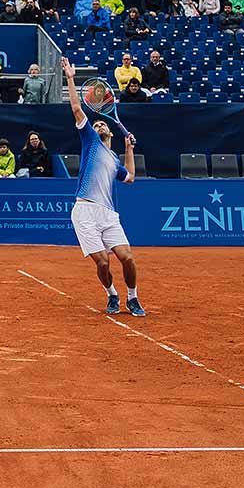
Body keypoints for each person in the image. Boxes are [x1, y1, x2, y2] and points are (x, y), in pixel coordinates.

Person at [63, 59, 143, 317]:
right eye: (96, 124)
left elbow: (130, 177)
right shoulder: (90, 142)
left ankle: (132, 298)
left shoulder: (114, 160)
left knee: (127, 257)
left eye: (102, 124)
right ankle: (112, 294)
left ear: (110, 131)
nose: (98, 125)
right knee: (103, 261)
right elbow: (77, 109)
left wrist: (129, 149)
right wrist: (70, 78)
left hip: (108, 214)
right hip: (84, 211)